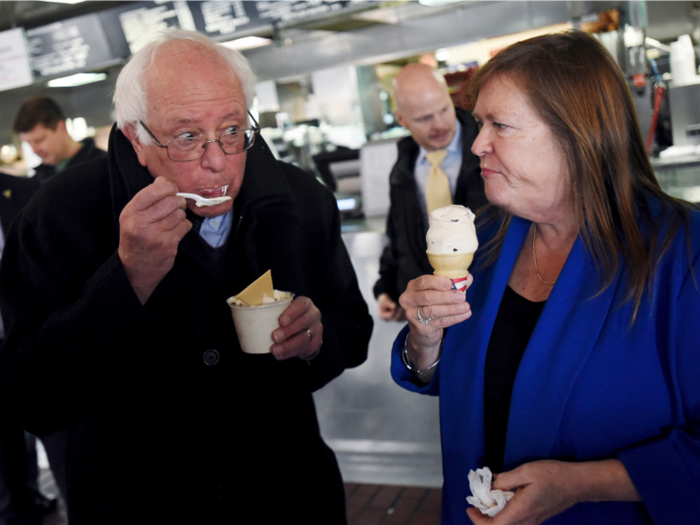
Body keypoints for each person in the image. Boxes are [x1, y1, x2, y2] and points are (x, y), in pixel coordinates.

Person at [0, 30, 372, 524]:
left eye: (233, 129)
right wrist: (128, 279)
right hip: (138, 503)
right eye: (187, 137)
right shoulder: (58, 217)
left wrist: (316, 341)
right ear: (136, 138)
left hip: (288, 494)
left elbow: (352, 327)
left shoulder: (299, 200)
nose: (217, 158)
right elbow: (33, 398)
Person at [391, 30, 700, 525]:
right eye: (478, 123)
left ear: (578, 136)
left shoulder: (683, 254)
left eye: (501, 126)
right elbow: (455, 379)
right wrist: (423, 343)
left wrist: (582, 485)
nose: (478, 146)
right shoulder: (485, 238)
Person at [373, 63, 487, 322]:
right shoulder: (402, 169)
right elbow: (398, 236)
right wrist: (386, 290)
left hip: (484, 304)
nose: (439, 124)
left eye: (444, 109)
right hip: (428, 313)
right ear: (401, 119)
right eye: (424, 118)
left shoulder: (486, 149)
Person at [0, 172, 56, 525]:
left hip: (21, 331)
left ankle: (30, 494)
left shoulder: (20, 189)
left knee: (32, 419)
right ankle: (9, 507)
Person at [13, 97, 106, 185]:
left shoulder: (104, 166)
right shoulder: (38, 181)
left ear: (61, 127)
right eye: (28, 143)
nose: (34, 150)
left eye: (39, 140)